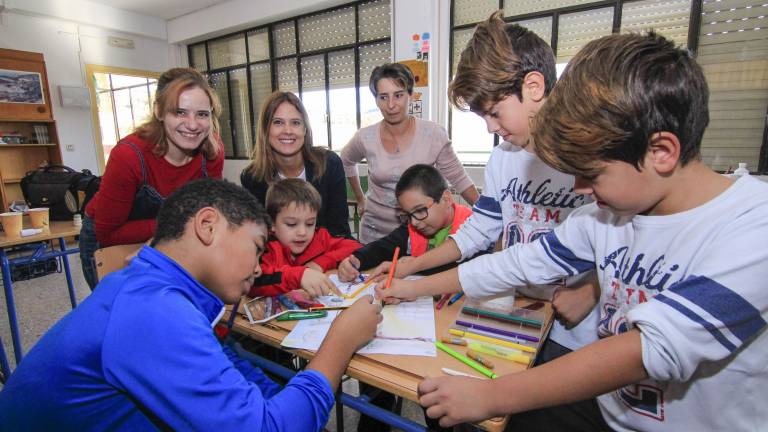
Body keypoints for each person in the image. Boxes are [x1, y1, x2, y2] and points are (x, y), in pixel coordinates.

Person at [379, 31, 768, 431]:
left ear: (661, 152)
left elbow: (648, 349)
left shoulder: (755, 227)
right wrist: (414, 284)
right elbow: (515, 264)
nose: (579, 188)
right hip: (609, 410)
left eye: (592, 172)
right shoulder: (601, 218)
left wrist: (490, 396)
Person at [0, 179, 382, 431]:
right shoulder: (154, 310)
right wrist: (341, 339)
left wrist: (281, 396)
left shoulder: (153, 286)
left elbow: (225, 364)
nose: (257, 266)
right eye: (256, 247)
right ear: (208, 226)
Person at [380, 13, 599, 364]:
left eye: (495, 113)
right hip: (515, 306)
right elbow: (478, 232)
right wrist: (413, 265)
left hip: (575, 325)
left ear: (534, 87)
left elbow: (625, 239)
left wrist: (594, 287)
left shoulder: (590, 158)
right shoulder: (503, 158)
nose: (490, 128)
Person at [79, 67, 225, 290]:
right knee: (124, 315)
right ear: (159, 111)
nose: (193, 124)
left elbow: (207, 215)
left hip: (169, 237)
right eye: (180, 112)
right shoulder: (129, 155)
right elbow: (108, 234)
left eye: (202, 114)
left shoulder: (212, 152)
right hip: (110, 240)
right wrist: (177, 224)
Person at [341, 63, 479, 244]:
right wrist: (360, 198)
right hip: (375, 232)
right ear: (376, 100)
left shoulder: (433, 134)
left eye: (398, 95)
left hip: (420, 232)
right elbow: (346, 160)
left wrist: (488, 215)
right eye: (383, 97)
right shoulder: (365, 137)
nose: (391, 105)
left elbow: (459, 179)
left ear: (411, 95)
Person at [241, 91, 351, 239]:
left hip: (327, 255)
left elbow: (339, 230)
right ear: (266, 130)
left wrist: (316, 262)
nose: (287, 131)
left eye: (295, 123)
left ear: (304, 129)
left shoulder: (329, 164)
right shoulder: (252, 178)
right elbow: (261, 238)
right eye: (278, 122)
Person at [338, 164, 473, 282]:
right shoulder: (413, 229)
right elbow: (383, 247)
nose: (414, 222)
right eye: (408, 214)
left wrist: (411, 266)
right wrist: (357, 259)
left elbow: (465, 273)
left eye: (420, 210)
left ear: (446, 199)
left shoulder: (474, 229)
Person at [250, 178, 362, 298]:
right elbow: (253, 281)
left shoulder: (319, 238)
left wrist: (320, 263)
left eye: (309, 224)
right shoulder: (264, 248)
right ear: (272, 223)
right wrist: (300, 275)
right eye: (291, 224)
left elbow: (356, 247)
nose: (302, 232)